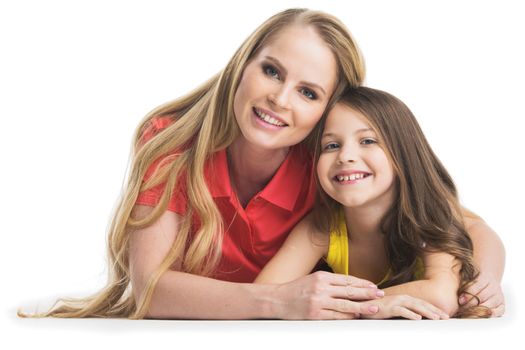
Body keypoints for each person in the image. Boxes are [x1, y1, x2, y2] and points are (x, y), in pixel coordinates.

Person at [20, 8, 504, 320]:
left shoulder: (326, 162)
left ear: (326, 113)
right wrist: (280, 301)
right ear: (243, 65)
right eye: (272, 70)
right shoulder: (171, 140)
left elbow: (459, 222)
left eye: (308, 92)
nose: (278, 98)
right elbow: (150, 290)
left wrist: (482, 281)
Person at [255, 86, 503, 319]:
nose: (346, 156)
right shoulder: (321, 227)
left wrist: (486, 276)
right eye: (331, 145)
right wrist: (374, 307)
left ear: (402, 154)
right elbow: (264, 296)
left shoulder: (427, 216)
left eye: (368, 141)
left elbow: (442, 295)